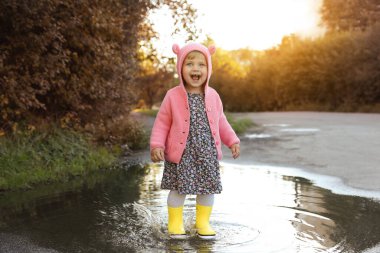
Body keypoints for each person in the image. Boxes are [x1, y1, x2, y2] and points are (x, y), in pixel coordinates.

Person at [150, 42, 240, 239]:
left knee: (208, 188)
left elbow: (221, 121)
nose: (196, 68)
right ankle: (175, 223)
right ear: (180, 68)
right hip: (181, 154)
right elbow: (162, 123)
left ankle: (202, 222)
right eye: (189, 64)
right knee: (178, 188)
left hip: (206, 153)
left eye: (202, 64)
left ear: (208, 69)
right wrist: (157, 145)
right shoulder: (172, 96)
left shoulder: (213, 96)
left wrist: (232, 140)